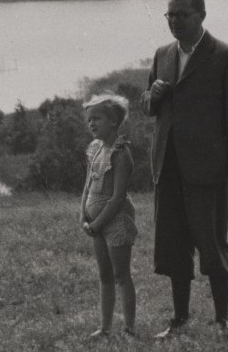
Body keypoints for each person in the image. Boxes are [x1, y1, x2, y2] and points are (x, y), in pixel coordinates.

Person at [141, 0, 228, 341]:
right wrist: (152, 96)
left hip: (208, 170)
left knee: (212, 243)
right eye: (170, 15)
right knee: (173, 245)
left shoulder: (226, 55)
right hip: (168, 167)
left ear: (201, 16)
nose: (174, 21)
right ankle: (179, 319)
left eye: (182, 15)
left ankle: (222, 319)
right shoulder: (162, 54)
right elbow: (147, 105)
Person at [79, 93, 137, 339]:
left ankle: (128, 328)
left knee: (120, 274)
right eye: (89, 119)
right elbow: (87, 186)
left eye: (97, 118)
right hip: (95, 224)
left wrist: (99, 222)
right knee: (104, 275)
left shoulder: (121, 153)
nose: (91, 124)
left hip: (114, 221)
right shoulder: (94, 150)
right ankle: (104, 328)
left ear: (113, 121)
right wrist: (83, 215)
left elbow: (117, 197)